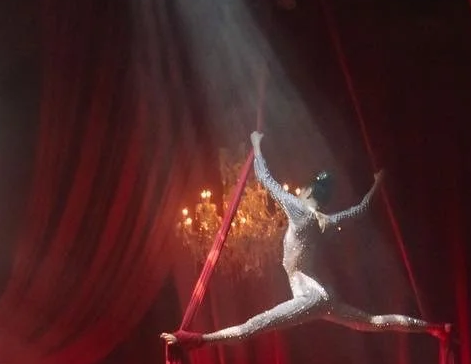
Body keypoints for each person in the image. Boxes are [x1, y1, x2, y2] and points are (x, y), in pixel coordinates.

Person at [163, 131, 446, 346]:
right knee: (372, 322)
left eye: (301, 189)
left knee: (257, 324)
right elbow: (360, 209)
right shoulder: (324, 219)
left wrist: (257, 144)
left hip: (311, 296)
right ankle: (433, 327)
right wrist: (377, 183)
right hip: (323, 296)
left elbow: (265, 178)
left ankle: (194, 340)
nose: (297, 192)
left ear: (309, 193)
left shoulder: (300, 211)